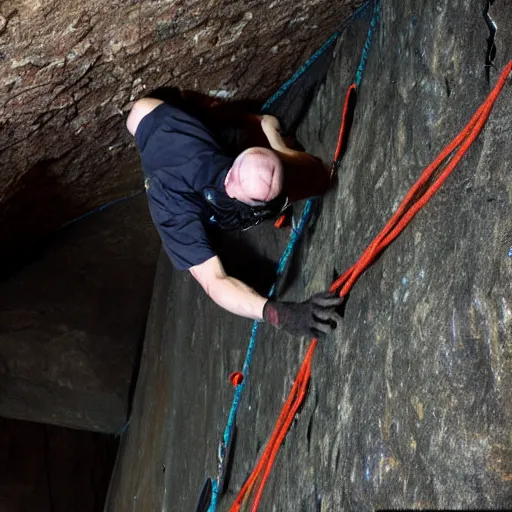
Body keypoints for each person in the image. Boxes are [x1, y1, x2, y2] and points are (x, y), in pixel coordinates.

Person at [126, 94, 342, 338]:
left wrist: (276, 143)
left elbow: (288, 169)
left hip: (182, 129)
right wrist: (278, 314)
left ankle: (262, 124)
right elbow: (214, 281)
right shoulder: (173, 212)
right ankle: (259, 126)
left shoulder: (225, 157)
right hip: (147, 118)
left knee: (308, 177)